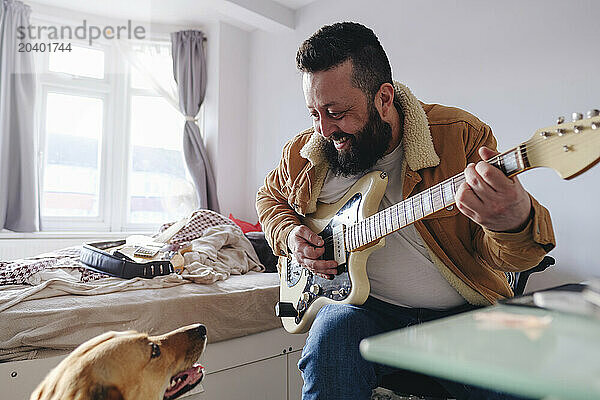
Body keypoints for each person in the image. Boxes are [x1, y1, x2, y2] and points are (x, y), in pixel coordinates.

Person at [256, 22, 556, 400]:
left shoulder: (459, 134)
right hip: (362, 310)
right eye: (314, 113)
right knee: (328, 343)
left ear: (384, 98)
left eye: (337, 111)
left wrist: (513, 221)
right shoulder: (307, 153)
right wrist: (288, 235)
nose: (325, 128)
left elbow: (511, 257)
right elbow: (269, 198)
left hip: (460, 314)